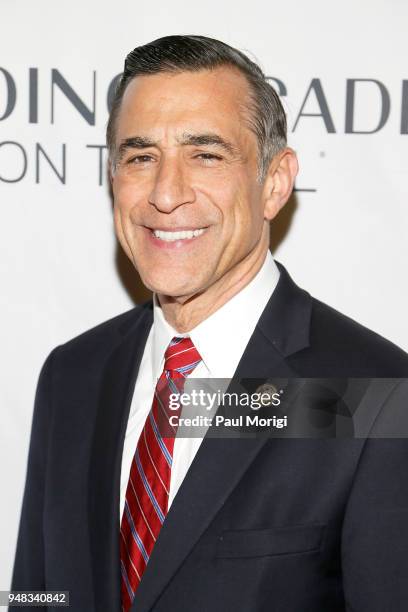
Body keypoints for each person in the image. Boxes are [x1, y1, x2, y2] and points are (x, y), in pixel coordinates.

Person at [11, 35, 408, 612]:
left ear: (274, 182)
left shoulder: (377, 395)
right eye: (141, 156)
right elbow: (37, 593)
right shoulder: (73, 374)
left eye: (206, 154)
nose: (166, 194)